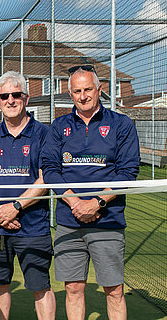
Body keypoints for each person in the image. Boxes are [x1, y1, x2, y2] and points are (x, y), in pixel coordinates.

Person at [41, 65, 140, 320]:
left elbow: (128, 172)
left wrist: (96, 202)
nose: (83, 96)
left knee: (114, 290)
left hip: (108, 221)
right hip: (68, 220)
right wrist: (76, 203)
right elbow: (50, 169)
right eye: (77, 91)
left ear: (99, 90)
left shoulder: (122, 124)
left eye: (87, 89)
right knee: (73, 288)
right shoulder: (59, 125)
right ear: (70, 93)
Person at [0, 71, 56, 320]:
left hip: (33, 227)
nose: (10, 100)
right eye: (4, 96)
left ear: (26, 98)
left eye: (16, 94)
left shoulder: (44, 133)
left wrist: (15, 207)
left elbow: (45, 179)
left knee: (40, 286)